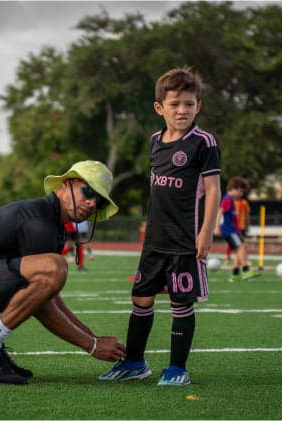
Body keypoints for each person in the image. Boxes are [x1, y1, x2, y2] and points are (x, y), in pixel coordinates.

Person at [0, 160, 125, 385]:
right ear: (66, 184)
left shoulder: (50, 220)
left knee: (53, 269)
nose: (92, 203)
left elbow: (46, 293)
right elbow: (43, 299)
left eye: (99, 201)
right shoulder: (38, 221)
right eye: (88, 192)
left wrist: (93, 337)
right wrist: (90, 345)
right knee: (55, 266)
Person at [99, 67, 221, 386]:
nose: (182, 110)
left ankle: (177, 368)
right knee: (141, 298)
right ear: (159, 108)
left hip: (185, 241)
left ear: (199, 106)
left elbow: (213, 190)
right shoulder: (155, 141)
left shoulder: (204, 143)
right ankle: (135, 362)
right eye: (175, 104)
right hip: (154, 240)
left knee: (181, 303)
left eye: (189, 104)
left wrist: (207, 231)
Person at [215, 177, 261, 282]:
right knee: (241, 247)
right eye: (240, 191)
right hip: (229, 230)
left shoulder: (230, 199)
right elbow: (220, 211)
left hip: (233, 230)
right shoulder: (227, 199)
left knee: (241, 249)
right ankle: (245, 270)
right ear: (233, 188)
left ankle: (236, 274)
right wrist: (216, 227)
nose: (241, 194)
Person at [225, 189, 251, 264]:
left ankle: (243, 260)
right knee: (234, 244)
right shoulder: (231, 201)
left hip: (241, 226)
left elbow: (247, 215)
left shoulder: (244, 203)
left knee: (242, 244)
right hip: (233, 227)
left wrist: (247, 225)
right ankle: (228, 258)